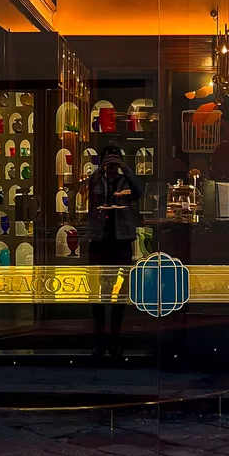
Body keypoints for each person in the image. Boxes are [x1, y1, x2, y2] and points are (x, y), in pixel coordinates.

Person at [85, 145, 143, 357]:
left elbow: (139, 192)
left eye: (115, 159)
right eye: (108, 159)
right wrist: (101, 168)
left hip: (121, 239)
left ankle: (115, 339)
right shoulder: (97, 179)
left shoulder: (126, 180)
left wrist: (124, 167)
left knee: (121, 293)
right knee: (98, 294)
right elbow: (88, 187)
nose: (111, 163)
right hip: (99, 239)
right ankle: (99, 340)